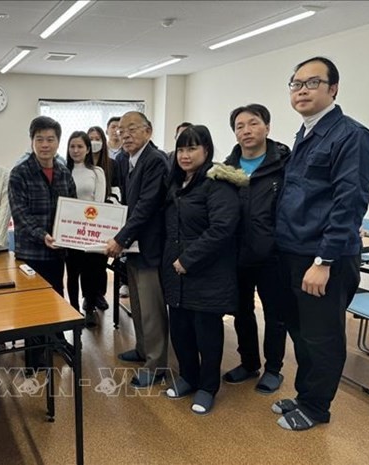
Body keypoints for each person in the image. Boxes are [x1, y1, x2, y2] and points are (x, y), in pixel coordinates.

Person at [274, 57, 369, 430]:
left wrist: (325, 260)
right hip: (294, 252)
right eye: (295, 83)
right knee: (300, 331)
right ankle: (304, 396)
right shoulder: (306, 133)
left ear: (333, 89)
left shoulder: (352, 135)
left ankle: (317, 408)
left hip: (323, 258)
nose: (301, 89)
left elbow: (349, 203)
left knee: (323, 337)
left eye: (312, 82)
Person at [162, 125, 245, 415]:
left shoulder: (217, 183)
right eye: (181, 149)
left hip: (207, 273)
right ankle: (187, 377)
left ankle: (208, 387)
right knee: (181, 331)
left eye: (192, 149)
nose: (185, 155)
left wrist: (188, 259)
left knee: (206, 334)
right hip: (175, 273)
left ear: (206, 151)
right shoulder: (176, 183)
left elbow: (222, 228)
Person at [222, 104, 290, 394]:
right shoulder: (227, 168)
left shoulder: (285, 164)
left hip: (273, 256)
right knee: (242, 312)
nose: (246, 131)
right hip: (237, 255)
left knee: (275, 315)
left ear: (267, 127)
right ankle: (249, 363)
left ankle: (273, 368)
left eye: (253, 124)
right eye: (239, 126)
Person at [105, 111, 170, 389]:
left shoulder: (155, 160)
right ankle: (143, 350)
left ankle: (156, 366)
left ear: (149, 131)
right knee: (138, 305)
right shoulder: (126, 160)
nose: (125, 134)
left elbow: (146, 205)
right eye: (121, 130)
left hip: (150, 246)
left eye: (132, 128)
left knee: (152, 308)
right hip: (133, 246)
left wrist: (119, 238)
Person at [8, 116, 77, 370]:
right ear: (32, 141)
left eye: (50, 139)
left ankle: (56, 341)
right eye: (40, 139)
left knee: (56, 296)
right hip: (31, 251)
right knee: (31, 304)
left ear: (58, 142)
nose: (45, 144)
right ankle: (34, 356)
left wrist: (72, 233)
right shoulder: (20, 172)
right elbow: (20, 214)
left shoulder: (63, 171)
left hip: (57, 252)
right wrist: (43, 235)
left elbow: (73, 207)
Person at [65, 131, 106, 327]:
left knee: (90, 272)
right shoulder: (63, 170)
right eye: (72, 146)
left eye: (80, 146)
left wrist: (89, 224)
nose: (75, 150)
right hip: (69, 231)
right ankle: (73, 310)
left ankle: (89, 308)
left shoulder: (97, 172)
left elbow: (99, 203)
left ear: (87, 149)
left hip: (90, 230)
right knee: (72, 273)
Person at [86, 125, 117, 311]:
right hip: (86, 219)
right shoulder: (82, 164)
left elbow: (117, 189)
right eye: (90, 138)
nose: (94, 142)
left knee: (101, 260)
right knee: (87, 262)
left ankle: (99, 294)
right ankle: (88, 297)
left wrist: (108, 205)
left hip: (106, 217)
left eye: (98, 138)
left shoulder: (112, 164)